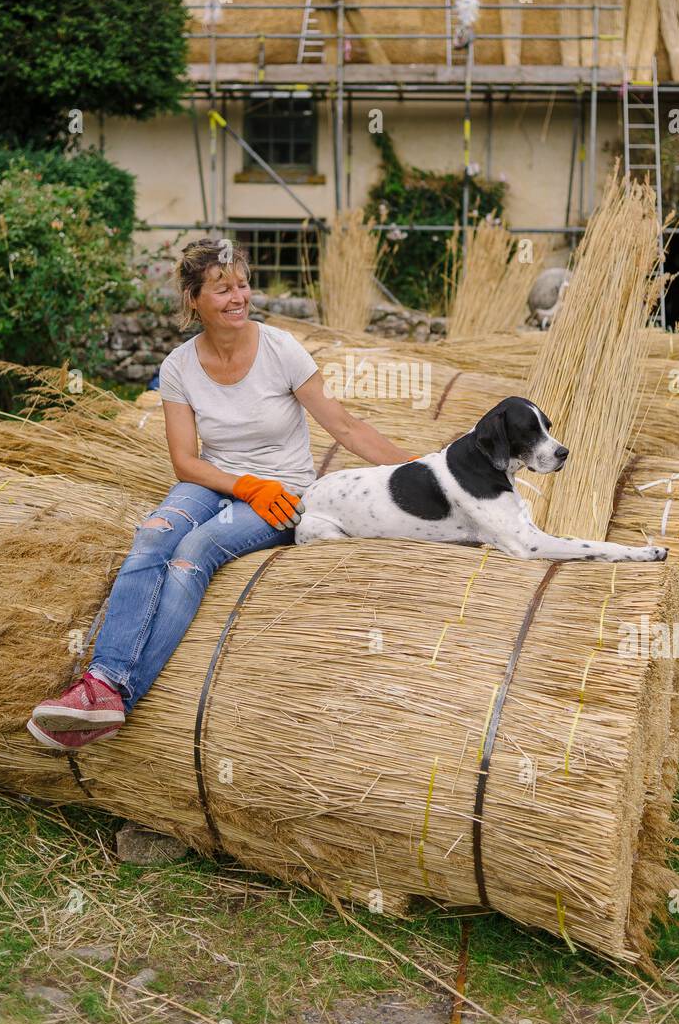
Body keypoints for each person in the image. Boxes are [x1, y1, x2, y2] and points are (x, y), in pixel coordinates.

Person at [27, 237, 411, 750]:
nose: (238, 297)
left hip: (281, 492)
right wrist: (241, 484)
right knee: (153, 535)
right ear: (194, 300)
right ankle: (99, 683)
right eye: (222, 289)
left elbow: (344, 425)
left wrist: (421, 472)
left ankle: (121, 693)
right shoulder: (179, 368)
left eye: (243, 285)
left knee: (194, 552)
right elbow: (185, 461)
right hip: (213, 481)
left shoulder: (281, 351)